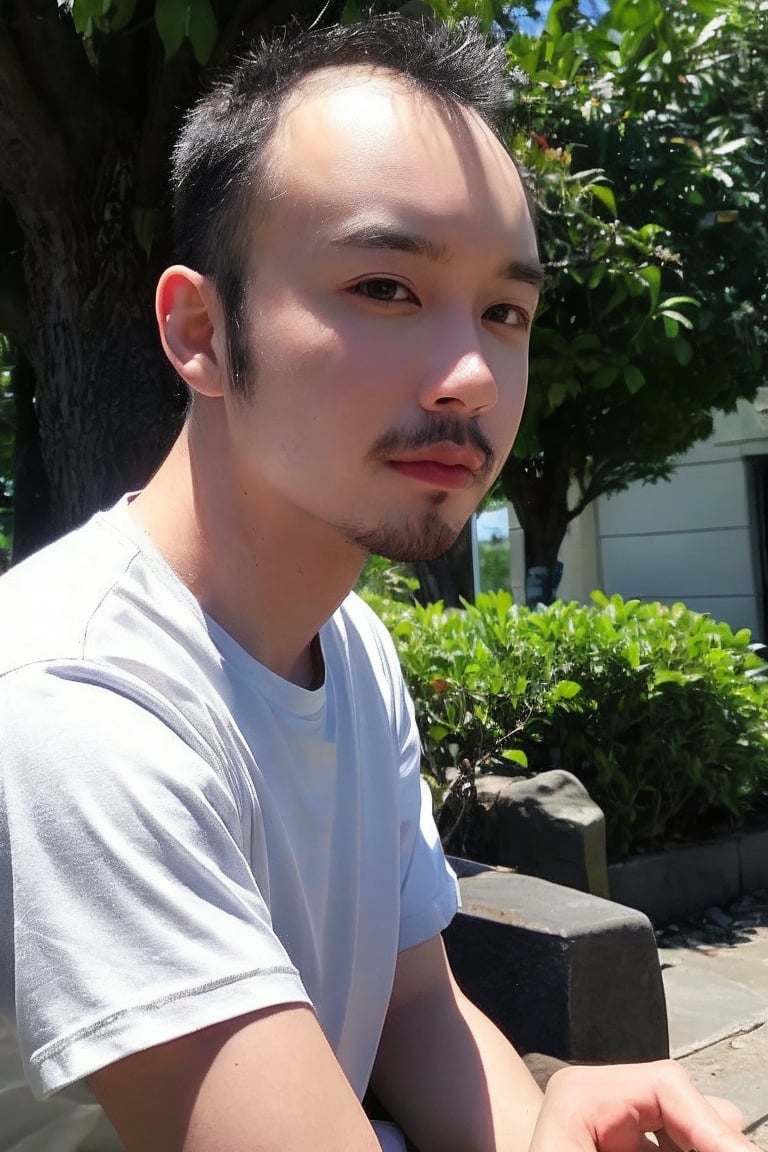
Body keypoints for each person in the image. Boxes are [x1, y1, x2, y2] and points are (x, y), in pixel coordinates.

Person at [0, 15, 757, 1152]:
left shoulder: (350, 649)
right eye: (385, 287)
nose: (468, 378)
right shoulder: (75, 702)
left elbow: (415, 1007)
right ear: (201, 330)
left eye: (504, 313)